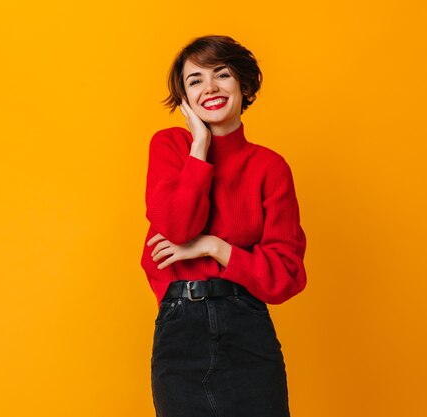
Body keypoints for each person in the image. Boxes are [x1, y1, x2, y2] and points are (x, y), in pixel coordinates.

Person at [140, 35, 307, 417]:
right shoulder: (169, 147)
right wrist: (199, 146)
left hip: (246, 328)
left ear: (243, 85)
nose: (210, 87)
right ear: (184, 97)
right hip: (180, 330)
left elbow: (287, 274)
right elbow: (178, 228)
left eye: (222, 74)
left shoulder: (270, 167)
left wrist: (214, 246)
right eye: (195, 80)